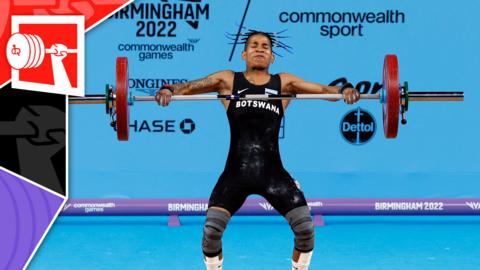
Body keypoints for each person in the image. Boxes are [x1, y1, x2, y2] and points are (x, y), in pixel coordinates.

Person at [155, 31, 360, 270]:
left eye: (265, 46)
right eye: (254, 45)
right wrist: (169, 89)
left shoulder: (284, 83)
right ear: (244, 53)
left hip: (273, 174)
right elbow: (189, 87)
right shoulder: (228, 80)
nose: (260, 49)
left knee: (305, 229)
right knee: (211, 233)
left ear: (272, 57)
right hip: (235, 174)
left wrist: (346, 90)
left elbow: (327, 93)